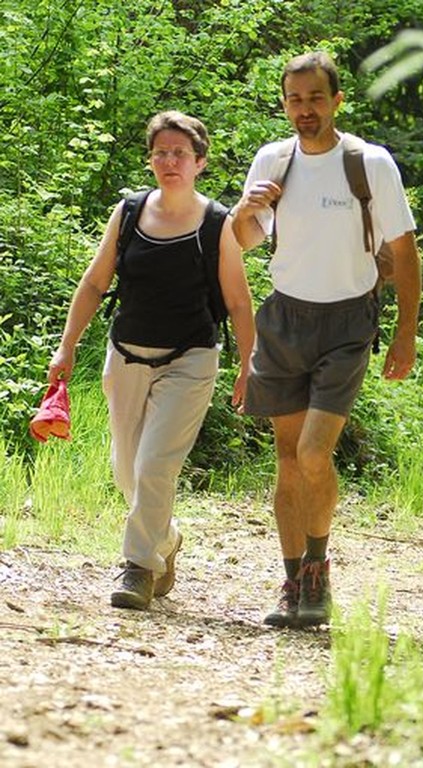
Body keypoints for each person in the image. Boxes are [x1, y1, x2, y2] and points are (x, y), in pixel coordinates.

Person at [232, 51, 421, 629]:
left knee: (315, 452)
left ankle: (319, 569)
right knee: (288, 459)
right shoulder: (274, 160)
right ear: (284, 103)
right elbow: (241, 241)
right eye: (294, 99)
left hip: (347, 322)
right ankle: (295, 584)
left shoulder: (369, 163)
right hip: (284, 320)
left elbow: (405, 252)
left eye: (316, 98)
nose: (305, 110)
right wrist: (247, 208)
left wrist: (405, 334)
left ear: (337, 101)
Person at [48, 111, 255, 610]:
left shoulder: (217, 223)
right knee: (128, 469)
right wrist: (67, 343)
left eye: (180, 153)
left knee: (155, 465)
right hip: (126, 356)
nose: (169, 161)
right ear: (150, 159)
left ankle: (137, 568)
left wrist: (250, 364)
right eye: (160, 152)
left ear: (199, 162)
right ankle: (166, 539)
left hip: (191, 359)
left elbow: (238, 301)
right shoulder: (128, 212)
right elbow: (96, 283)